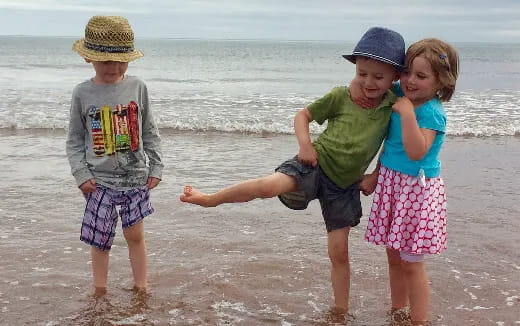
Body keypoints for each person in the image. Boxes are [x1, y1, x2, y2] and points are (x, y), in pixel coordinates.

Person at [180, 27, 405, 316]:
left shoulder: (392, 106)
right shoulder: (340, 96)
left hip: (345, 186)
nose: (368, 82)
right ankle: (211, 198)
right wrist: (305, 145)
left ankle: (340, 311)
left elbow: (393, 144)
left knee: (339, 252)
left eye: (378, 76)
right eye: (362, 73)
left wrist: (375, 175)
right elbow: (303, 116)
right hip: (314, 164)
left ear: (395, 76)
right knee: (267, 186)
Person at [359, 38, 459, 325]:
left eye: (421, 76)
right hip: (392, 184)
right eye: (406, 72)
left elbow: (416, 152)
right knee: (393, 257)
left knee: (412, 263)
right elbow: (391, 145)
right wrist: (376, 176)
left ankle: (419, 320)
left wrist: (406, 115)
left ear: (441, 81)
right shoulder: (401, 91)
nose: (410, 81)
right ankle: (397, 310)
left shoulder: (431, 112)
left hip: (416, 190)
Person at [66, 16, 163, 296]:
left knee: (135, 235)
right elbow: (74, 139)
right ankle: (100, 290)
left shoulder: (138, 88)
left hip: (136, 178)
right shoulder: (82, 93)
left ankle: (141, 285)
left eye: (122, 61)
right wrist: (81, 174)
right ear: (89, 59)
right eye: (106, 61)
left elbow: (150, 130)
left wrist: (157, 166)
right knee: (100, 240)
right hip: (98, 182)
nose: (115, 67)